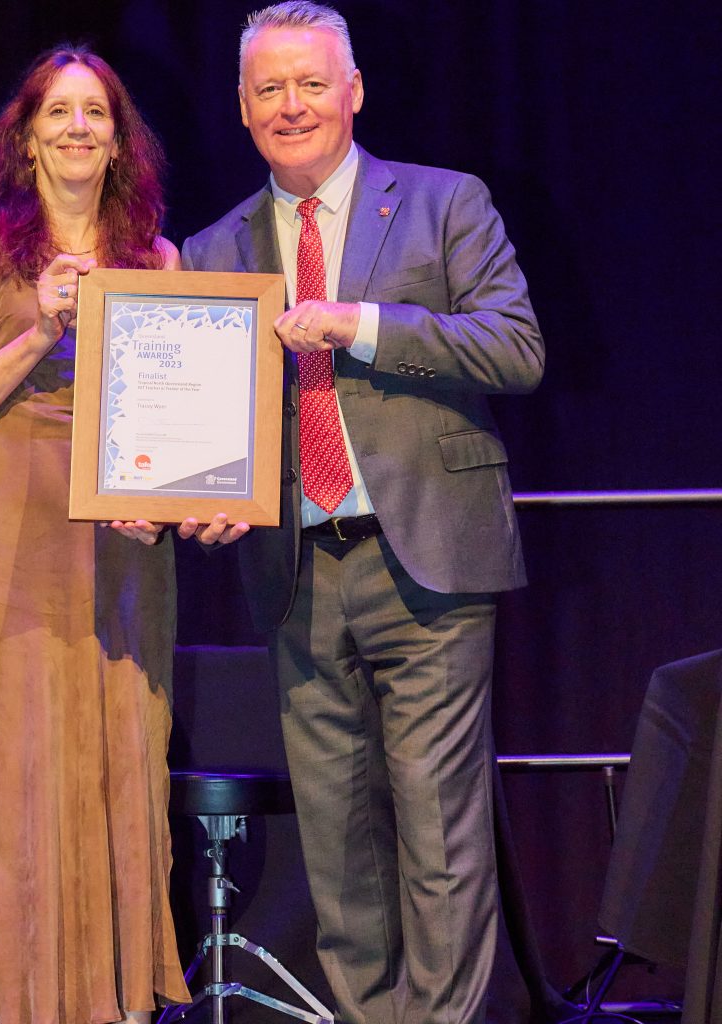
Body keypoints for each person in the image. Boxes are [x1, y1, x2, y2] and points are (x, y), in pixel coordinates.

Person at [178, 3, 544, 1023]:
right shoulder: (213, 250)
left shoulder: (441, 203)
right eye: (268, 89)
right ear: (243, 109)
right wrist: (197, 496)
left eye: (309, 83)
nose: (290, 105)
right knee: (336, 835)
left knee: (437, 824)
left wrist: (362, 324)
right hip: (295, 568)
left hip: (425, 553)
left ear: (353, 91)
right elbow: (211, 421)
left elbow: (515, 348)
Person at [0, 46, 190, 1024]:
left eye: (96, 114)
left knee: (121, 759)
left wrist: (167, 501)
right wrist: (38, 328)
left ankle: (115, 1001)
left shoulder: (159, 259)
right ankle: (25, 1004)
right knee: (22, 775)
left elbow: (180, 420)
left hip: (121, 541)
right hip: (11, 528)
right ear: (26, 136)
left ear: (120, 143)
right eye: (59, 113)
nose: (78, 128)